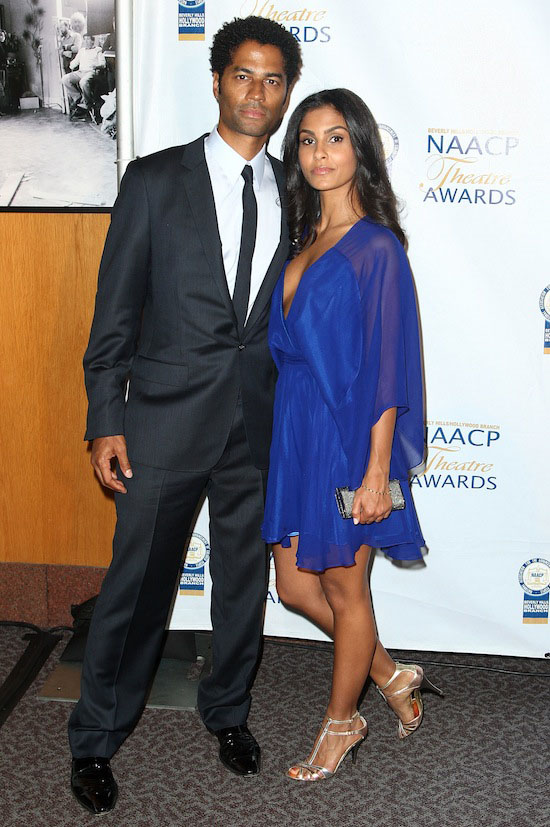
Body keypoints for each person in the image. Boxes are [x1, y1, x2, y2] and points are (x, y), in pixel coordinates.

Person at [68, 16, 301, 815]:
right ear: (215, 81)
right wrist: (106, 417)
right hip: (162, 422)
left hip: (256, 427)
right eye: (243, 74)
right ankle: (95, 735)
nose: (257, 92)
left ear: (285, 92)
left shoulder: (298, 195)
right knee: (137, 589)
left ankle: (228, 711)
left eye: (273, 79)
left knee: (243, 584)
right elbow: (114, 316)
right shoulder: (154, 181)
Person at [261, 89, 443, 781]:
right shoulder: (307, 238)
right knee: (296, 586)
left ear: (360, 149)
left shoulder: (377, 249)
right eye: (306, 140)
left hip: (346, 437)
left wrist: (375, 473)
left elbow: (386, 371)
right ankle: (393, 677)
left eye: (335, 138)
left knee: (345, 590)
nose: (319, 153)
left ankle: (343, 721)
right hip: (297, 431)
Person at [62, 34, 105, 120]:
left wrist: (96, 66)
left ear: (92, 41)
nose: (86, 41)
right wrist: (71, 65)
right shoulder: (81, 51)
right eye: (84, 40)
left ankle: (88, 103)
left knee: (83, 82)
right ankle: (77, 97)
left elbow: (103, 64)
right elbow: (74, 63)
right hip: (80, 72)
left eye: (88, 40)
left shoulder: (98, 50)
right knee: (65, 79)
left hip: (91, 72)